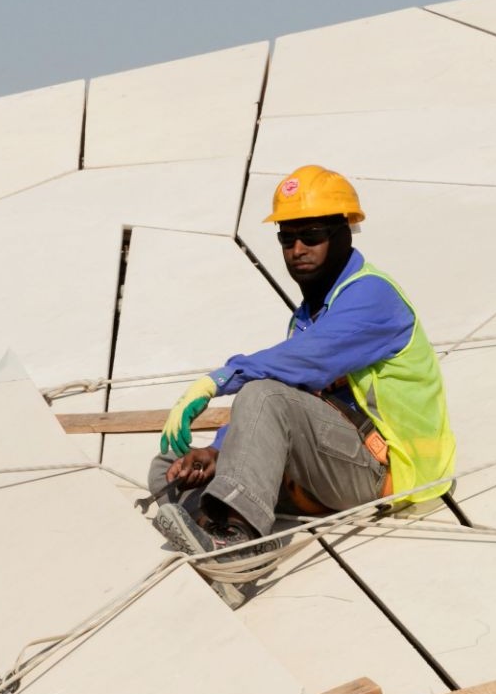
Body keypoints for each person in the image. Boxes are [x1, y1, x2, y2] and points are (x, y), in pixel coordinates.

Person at [146, 167, 454, 596]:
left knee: (262, 392)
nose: (297, 250)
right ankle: (210, 525)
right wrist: (217, 450)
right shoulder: (309, 314)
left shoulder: (372, 297)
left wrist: (216, 380)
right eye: (287, 239)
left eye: (311, 235)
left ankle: (237, 549)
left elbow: (299, 367)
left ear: (344, 233)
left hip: (389, 472)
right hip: (336, 464)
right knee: (170, 466)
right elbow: (298, 398)